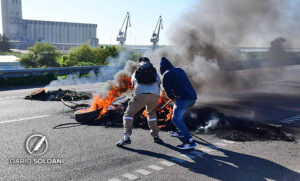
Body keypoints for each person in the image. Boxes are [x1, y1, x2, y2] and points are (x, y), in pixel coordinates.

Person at [116, 57, 163, 146]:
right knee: (151, 113)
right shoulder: (154, 72)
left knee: (128, 114)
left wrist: (136, 96)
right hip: (155, 96)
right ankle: (155, 136)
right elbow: (159, 83)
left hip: (141, 94)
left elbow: (134, 85)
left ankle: (126, 137)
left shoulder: (137, 72)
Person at [159, 57, 198, 150]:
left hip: (183, 99)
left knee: (175, 119)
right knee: (180, 115)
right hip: (193, 97)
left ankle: (189, 141)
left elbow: (168, 90)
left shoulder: (166, 74)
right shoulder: (180, 70)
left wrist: (172, 97)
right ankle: (180, 132)